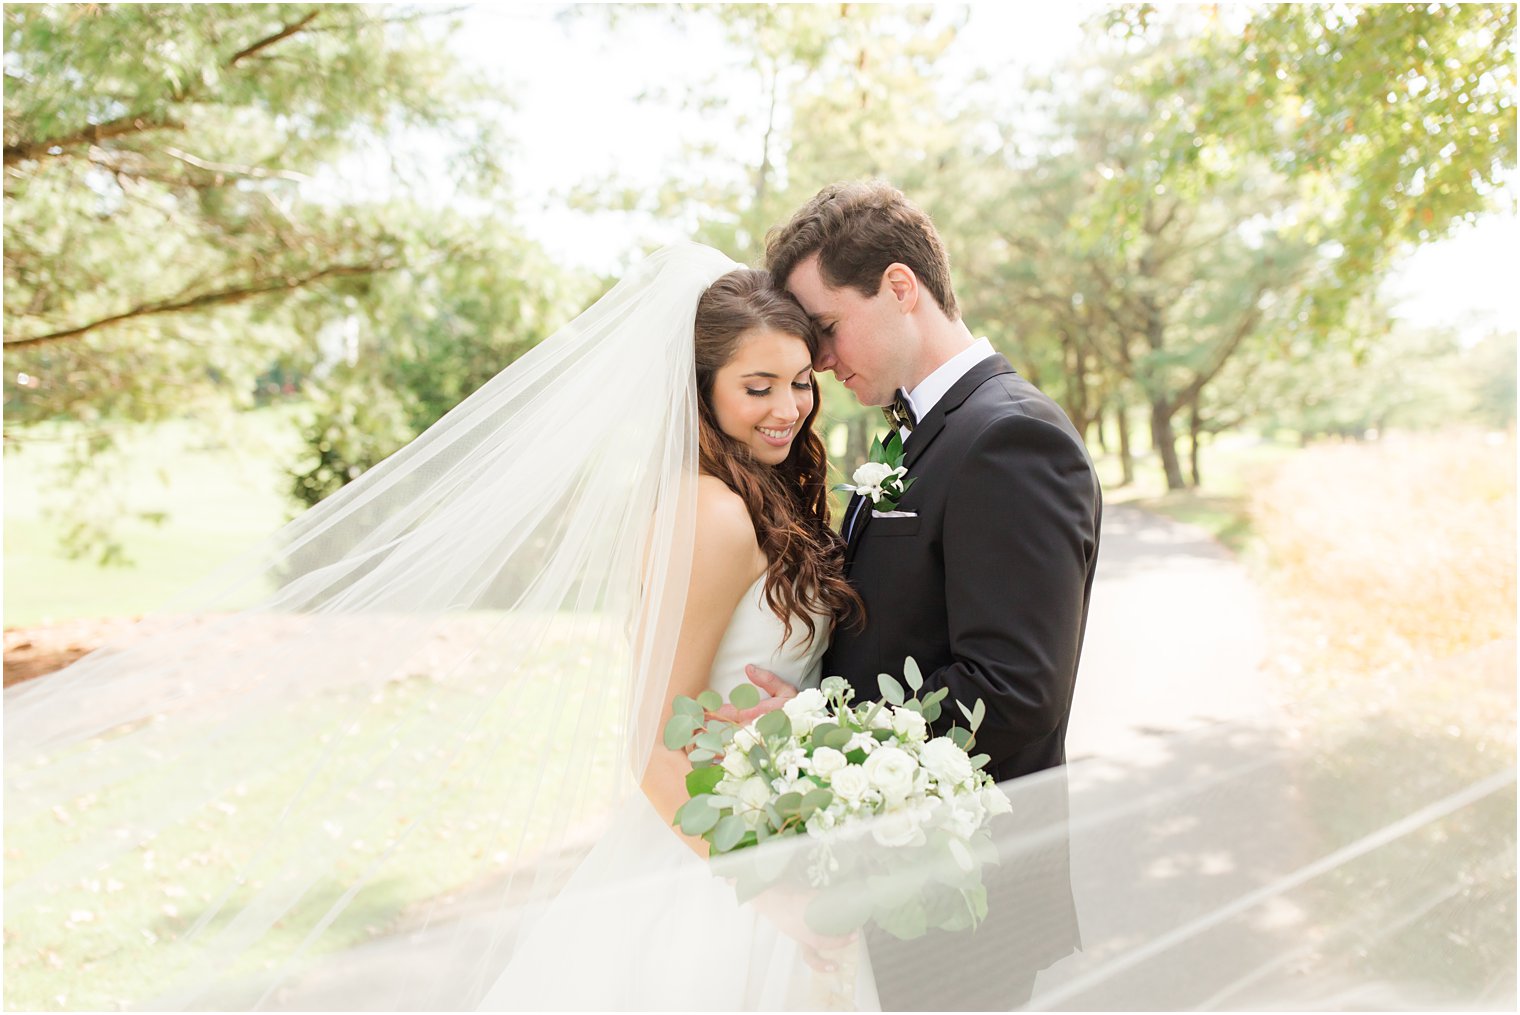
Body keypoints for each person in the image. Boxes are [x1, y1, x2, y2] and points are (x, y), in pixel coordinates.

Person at [741, 180, 1103, 1008]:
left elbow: (1014, 690)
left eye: (826, 327)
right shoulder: (920, 430)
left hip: (961, 904)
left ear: (900, 287)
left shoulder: (1010, 435)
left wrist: (815, 741)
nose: (822, 361)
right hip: (898, 886)